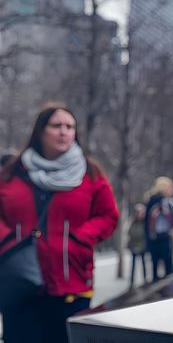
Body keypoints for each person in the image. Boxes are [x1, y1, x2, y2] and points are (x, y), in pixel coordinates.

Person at [0, 102, 119, 343]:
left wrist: (79, 238)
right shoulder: (12, 172)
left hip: (72, 283)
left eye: (70, 126)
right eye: (56, 126)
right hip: (20, 284)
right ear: (40, 131)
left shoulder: (91, 173)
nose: (64, 132)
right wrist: (8, 242)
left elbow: (108, 216)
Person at [144, 176, 173, 281]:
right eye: (170, 187)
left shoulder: (150, 201)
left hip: (152, 239)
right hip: (163, 238)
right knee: (168, 271)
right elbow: (172, 221)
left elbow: (146, 222)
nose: (172, 190)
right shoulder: (165, 202)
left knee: (155, 270)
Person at [127, 203, 148, 287]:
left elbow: (143, 234)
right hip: (134, 246)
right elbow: (130, 233)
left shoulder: (144, 223)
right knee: (133, 265)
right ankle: (131, 282)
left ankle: (145, 280)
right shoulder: (132, 222)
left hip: (142, 246)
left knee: (143, 264)